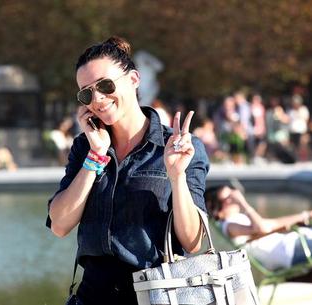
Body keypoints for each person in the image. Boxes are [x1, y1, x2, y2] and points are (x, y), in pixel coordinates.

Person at [46, 36, 209, 304]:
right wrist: (95, 156)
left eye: (105, 85)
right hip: (92, 295)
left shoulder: (177, 146)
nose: (97, 99)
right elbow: (60, 225)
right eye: (86, 93)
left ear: (134, 79)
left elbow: (192, 242)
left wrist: (177, 175)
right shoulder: (85, 146)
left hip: (155, 295)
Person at [206, 185, 312, 278]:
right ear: (216, 209)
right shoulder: (229, 225)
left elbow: (270, 225)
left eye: (233, 196)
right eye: (228, 199)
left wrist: (305, 215)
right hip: (292, 251)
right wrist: (243, 203)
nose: (233, 200)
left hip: (298, 241)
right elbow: (262, 227)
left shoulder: (237, 221)